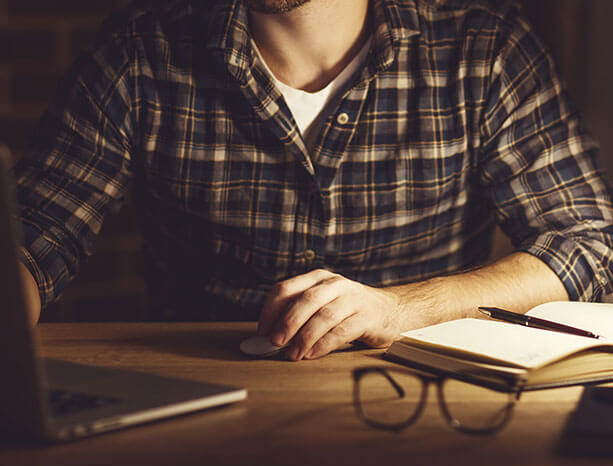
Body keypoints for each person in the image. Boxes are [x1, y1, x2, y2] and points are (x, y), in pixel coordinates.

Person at [12, 0, 613, 360]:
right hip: (198, 401)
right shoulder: (138, 52)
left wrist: (400, 309)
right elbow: (35, 232)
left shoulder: (484, 48)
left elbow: (588, 244)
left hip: (420, 398)